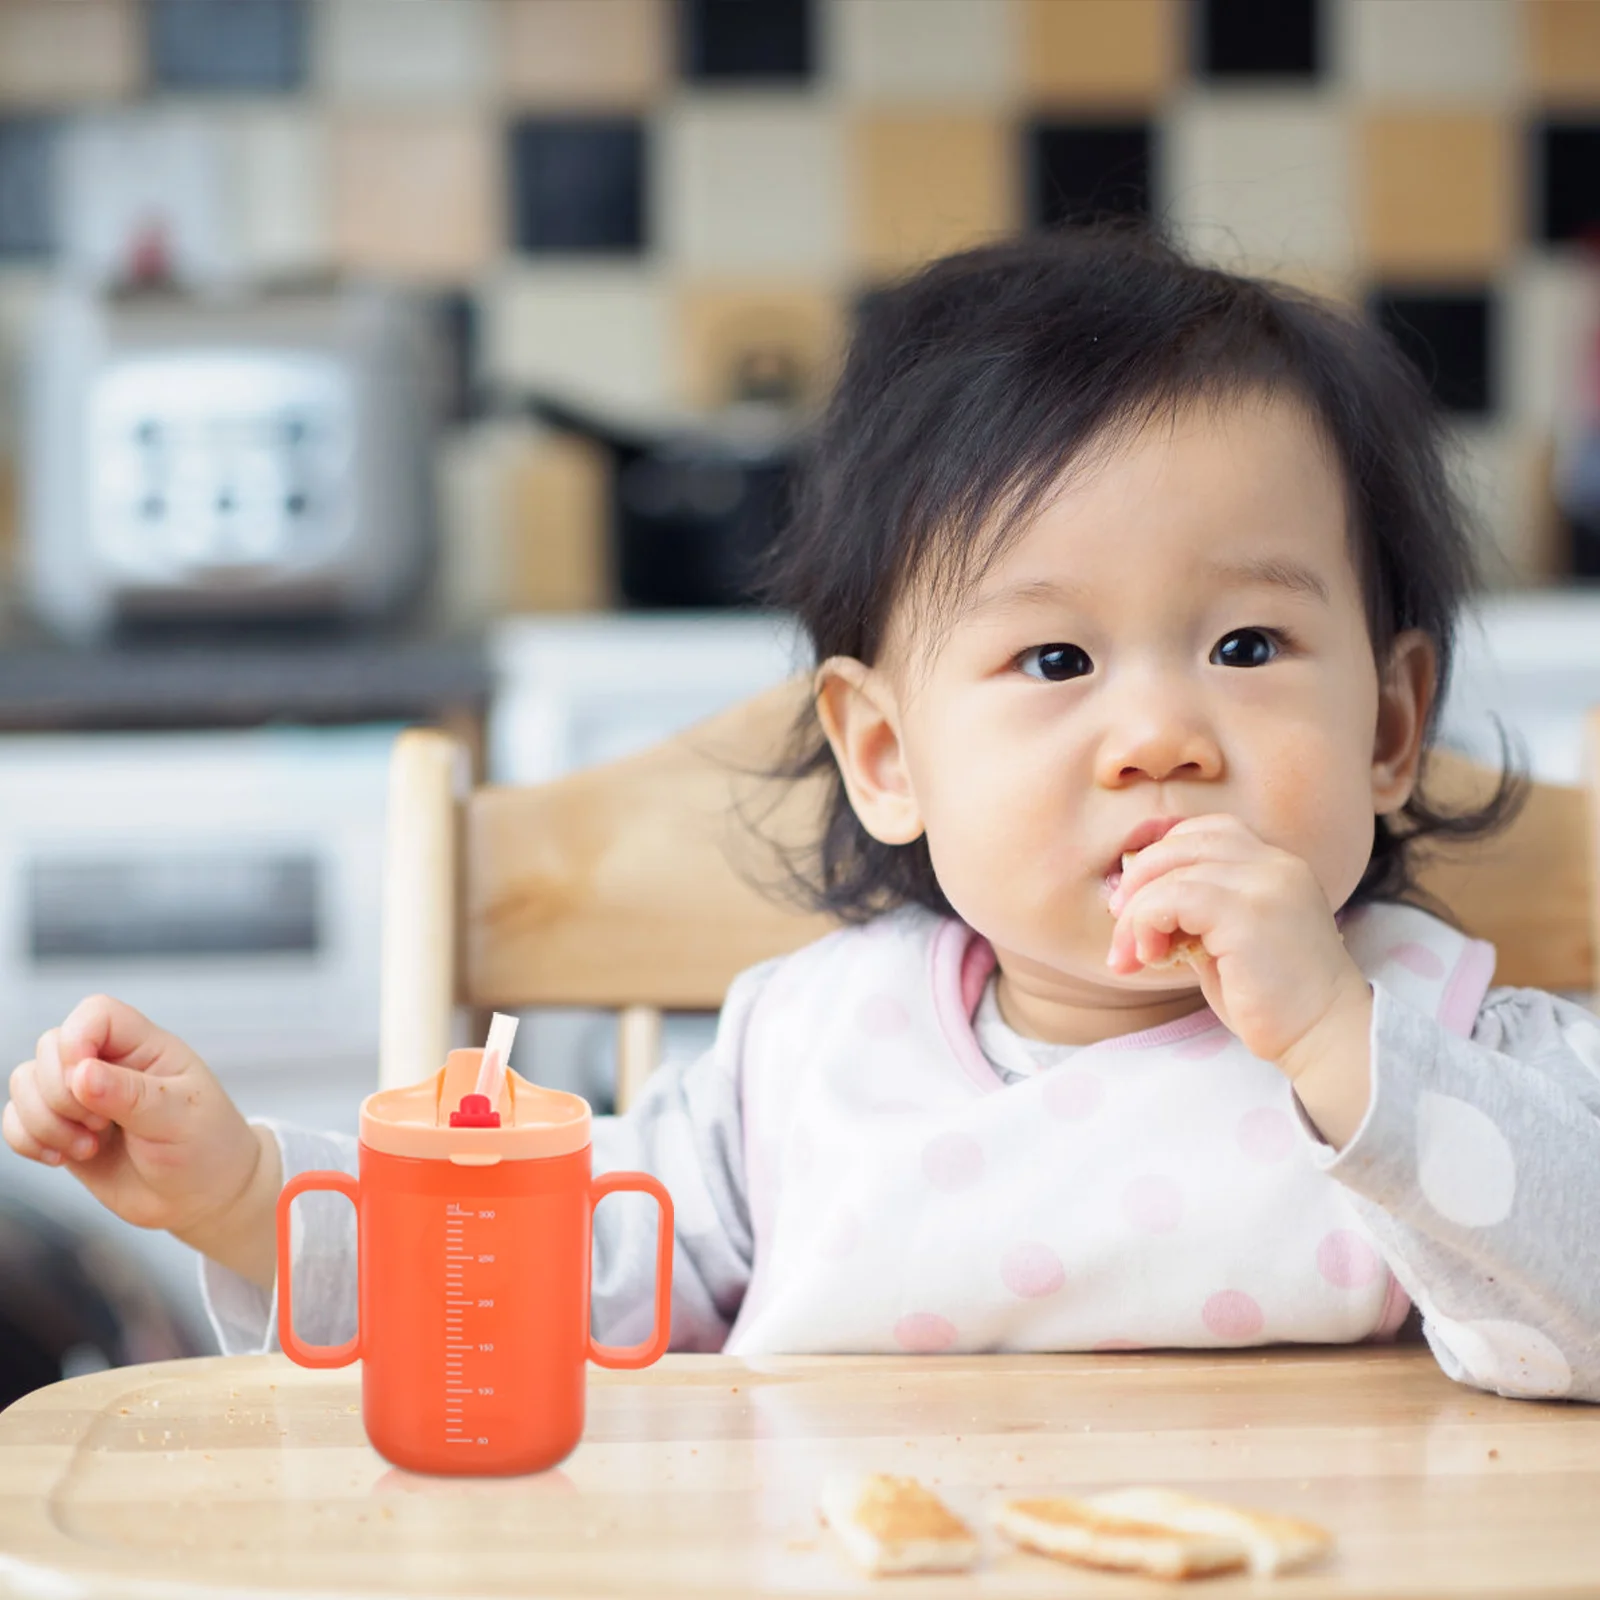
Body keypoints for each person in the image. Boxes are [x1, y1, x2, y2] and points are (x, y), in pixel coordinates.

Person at [7, 222, 1599, 1401]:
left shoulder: (1450, 1050)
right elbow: (540, 1282)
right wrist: (243, 1194)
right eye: (1054, 656)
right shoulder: (801, 1073)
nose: (1160, 736)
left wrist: (1338, 1047)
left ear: (1389, 726)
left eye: (1248, 646)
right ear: (886, 755)